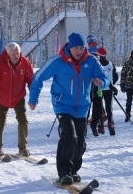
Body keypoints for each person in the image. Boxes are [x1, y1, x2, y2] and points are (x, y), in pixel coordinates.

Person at [28, 33, 109, 185]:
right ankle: (64, 172)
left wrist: (101, 82)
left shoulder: (91, 61)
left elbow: (105, 78)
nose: (79, 51)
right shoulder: (58, 61)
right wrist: (33, 99)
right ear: (70, 48)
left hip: (82, 107)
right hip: (63, 105)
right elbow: (38, 77)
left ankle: (73, 170)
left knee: (81, 141)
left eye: (81, 47)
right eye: (76, 48)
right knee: (69, 136)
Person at [0, 43, 34, 157]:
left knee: (23, 121)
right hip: (3, 97)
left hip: (18, 97)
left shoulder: (25, 63)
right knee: (0, 123)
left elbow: (31, 79)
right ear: (7, 54)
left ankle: (23, 148)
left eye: (17, 53)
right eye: (13, 53)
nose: (16, 55)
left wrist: (34, 94)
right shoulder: (0, 62)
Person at [97, 47, 119, 135]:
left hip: (98, 88)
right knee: (108, 107)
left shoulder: (97, 64)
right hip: (109, 88)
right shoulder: (110, 64)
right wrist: (112, 85)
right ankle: (110, 123)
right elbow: (116, 76)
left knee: (99, 107)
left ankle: (101, 125)